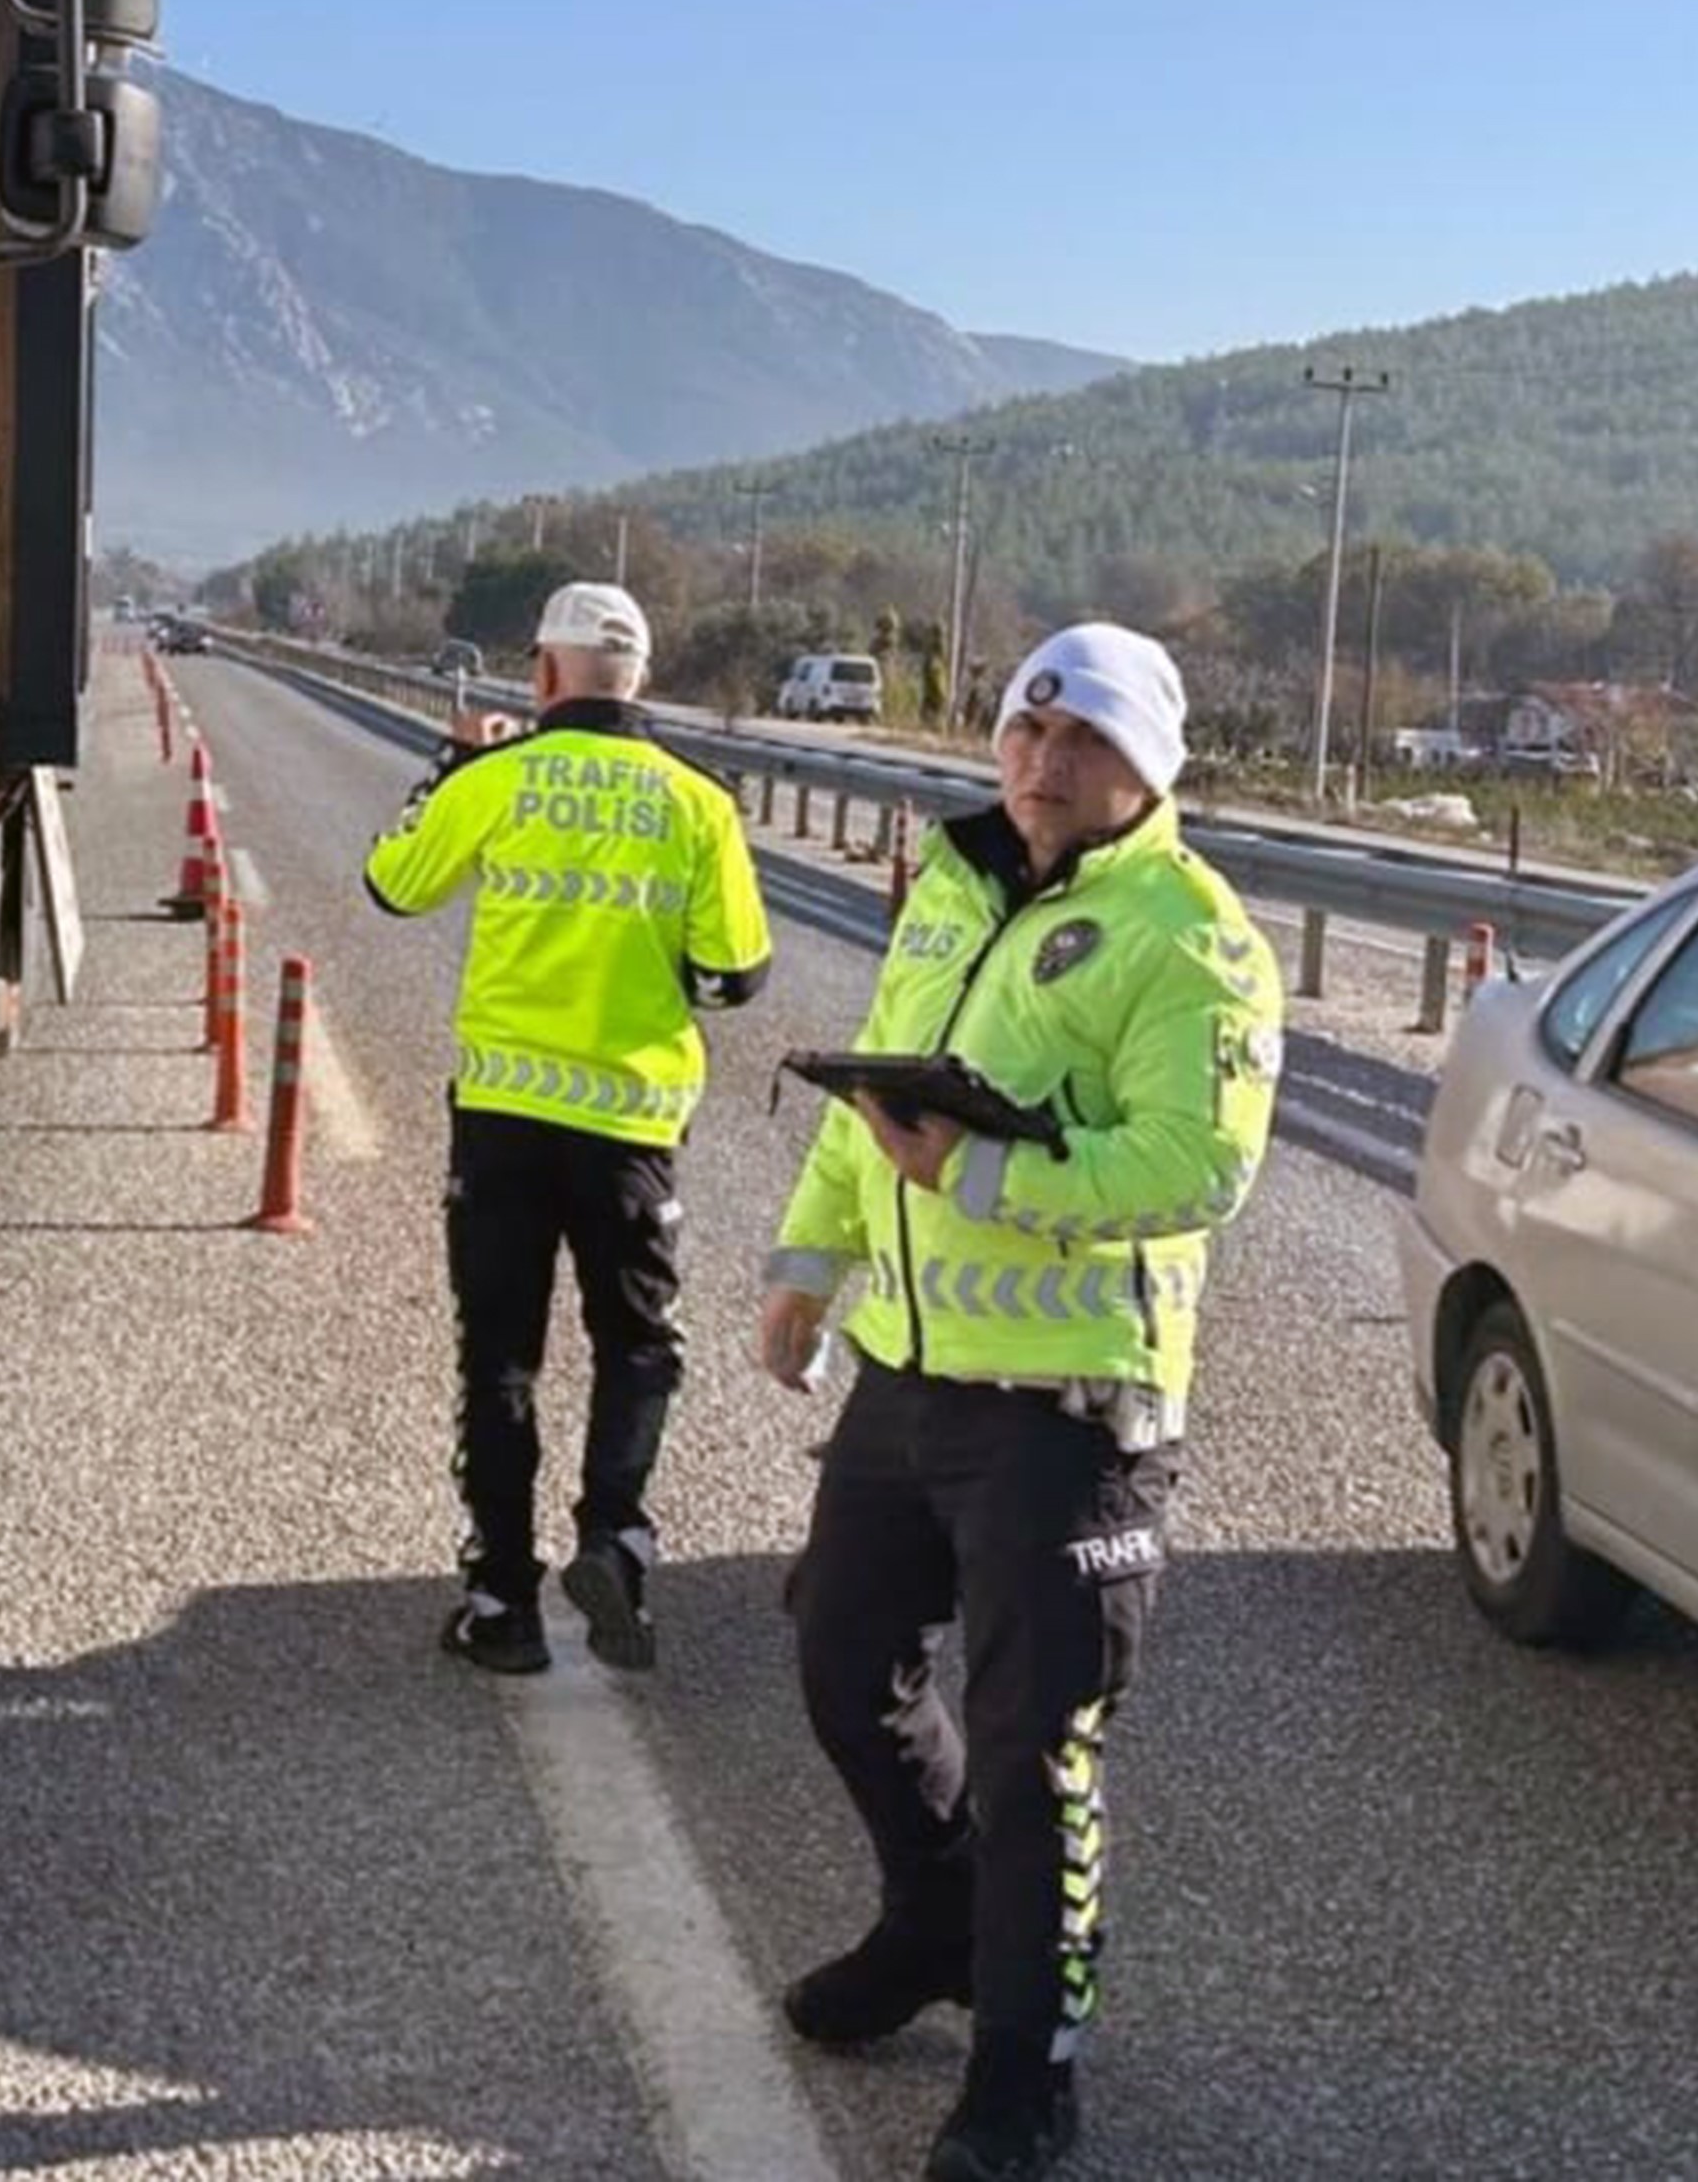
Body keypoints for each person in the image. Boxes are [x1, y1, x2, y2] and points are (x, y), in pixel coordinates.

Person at [755, 621, 1283, 2182]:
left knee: (1034, 1747)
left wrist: (982, 1171)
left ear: (1147, 770)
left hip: (1067, 1413)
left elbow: (1202, 1170)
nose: (1045, 766)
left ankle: (1025, 2072)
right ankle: (934, 1924)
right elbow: (876, 1107)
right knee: (841, 1661)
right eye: (1024, 731)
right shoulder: (953, 884)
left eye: (1086, 744)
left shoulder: (1188, 935)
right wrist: (808, 1267)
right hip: (908, 1376)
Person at [365, 581, 773, 1675]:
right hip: (632, 1124)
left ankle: (503, 1599)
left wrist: (453, 765)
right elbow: (734, 977)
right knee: (635, 1343)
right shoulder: (698, 802)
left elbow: (392, 885)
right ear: (639, 676)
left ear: (542, 675)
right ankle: (615, 1540)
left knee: (499, 1356)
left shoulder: (498, 777)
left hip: (502, 1117)